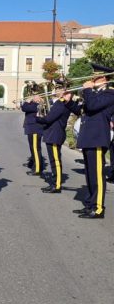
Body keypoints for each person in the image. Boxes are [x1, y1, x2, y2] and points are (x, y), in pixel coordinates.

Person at [66, 64, 114, 219]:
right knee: (90, 175)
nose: (92, 79)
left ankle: (98, 208)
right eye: (93, 76)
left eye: (97, 77)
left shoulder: (109, 94)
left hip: (98, 138)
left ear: (105, 78)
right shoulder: (93, 93)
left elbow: (93, 106)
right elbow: (81, 111)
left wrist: (87, 90)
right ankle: (90, 204)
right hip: (88, 138)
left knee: (97, 175)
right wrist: (68, 101)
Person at [35, 81, 72, 193]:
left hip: (55, 134)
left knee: (55, 161)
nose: (56, 91)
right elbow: (48, 115)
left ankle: (57, 185)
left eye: (59, 89)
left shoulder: (61, 104)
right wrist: (41, 107)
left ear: (64, 91)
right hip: (52, 134)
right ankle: (54, 182)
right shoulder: (57, 103)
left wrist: (37, 118)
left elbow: (48, 119)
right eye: (56, 88)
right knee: (53, 160)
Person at [22, 95, 44, 176]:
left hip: (35, 129)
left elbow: (24, 108)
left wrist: (27, 100)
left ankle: (37, 169)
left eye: (35, 97)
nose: (33, 98)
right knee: (34, 149)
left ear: (38, 99)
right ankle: (37, 166)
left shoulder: (37, 105)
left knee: (35, 149)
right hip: (33, 129)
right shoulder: (34, 105)